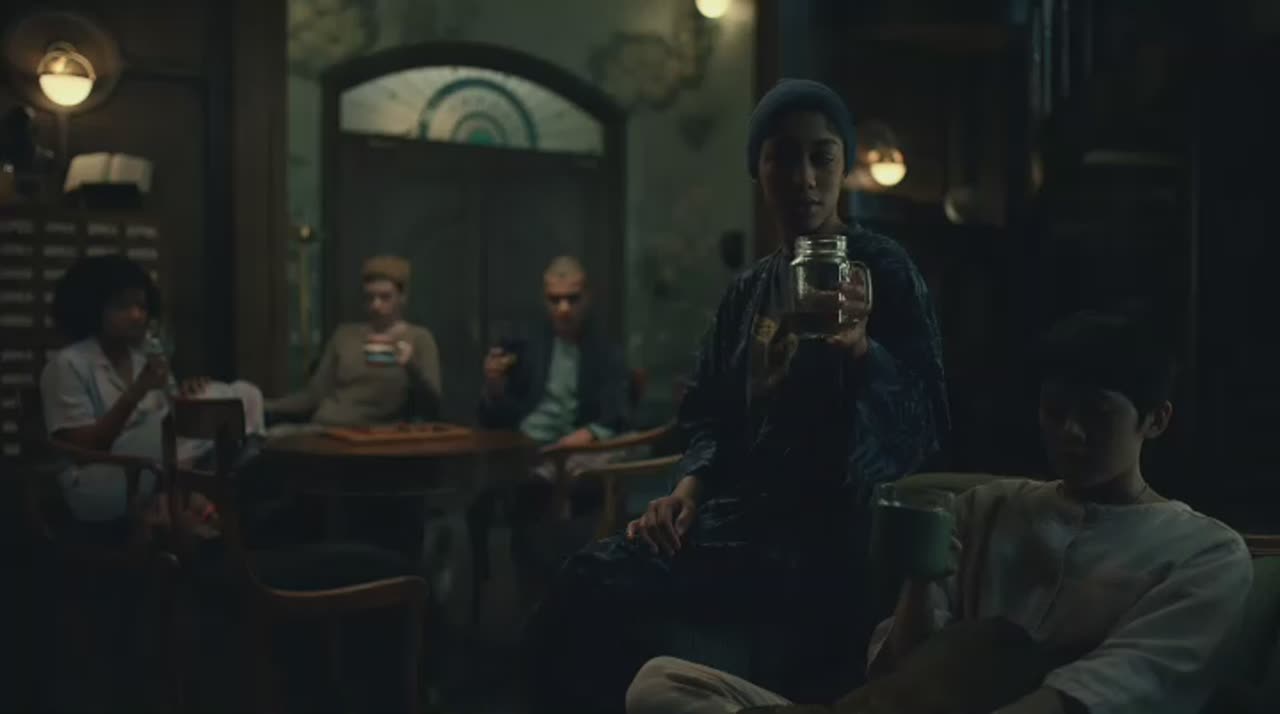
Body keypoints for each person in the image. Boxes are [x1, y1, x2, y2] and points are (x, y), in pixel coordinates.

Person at [524, 78, 949, 714]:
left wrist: (863, 352)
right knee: (580, 588)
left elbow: (925, 421)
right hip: (738, 522)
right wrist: (685, 494)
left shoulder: (880, 270)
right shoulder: (750, 290)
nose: (804, 178)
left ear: (842, 165)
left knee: (595, 593)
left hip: (831, 539)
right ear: (758, 169)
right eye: (783, 156)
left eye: (822, 156)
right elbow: (710, 416)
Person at [625, 308, 1252, 714]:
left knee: (989, 645)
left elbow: (1119, 686)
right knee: (660, 683)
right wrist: (922, 579)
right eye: (1055, 411)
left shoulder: (1204, 553)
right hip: (908, 701)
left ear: (1155, 420)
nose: (1071, 432)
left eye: (1096, 414)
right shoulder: (985, 508)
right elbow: (900, 671)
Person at [39, 254, 263, 531]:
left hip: (160, 465)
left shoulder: (144, 357)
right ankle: (187, 494)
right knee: (178, 422)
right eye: (122, 306)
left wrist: (187, 391)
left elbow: (172, 412)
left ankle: (194, 486)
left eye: (142, 306)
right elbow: (84, 452)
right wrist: (137, 391)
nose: (137, 315)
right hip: (102, 479)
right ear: (93, 308)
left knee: (243, 392)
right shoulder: (67, 365)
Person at [471, 256, 631, 590]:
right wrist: (494, 388)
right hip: (528, 450)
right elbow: (495, 417)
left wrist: (584, 436)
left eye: (572, 299)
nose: (563, 308)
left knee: (569, 500)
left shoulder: (605, 350)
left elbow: (617, 411)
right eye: (554, 299)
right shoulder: (529, 346)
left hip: (580, 454)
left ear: (588, 298)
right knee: (503, 493)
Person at [266, 254, 442, 427]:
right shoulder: (345, 335)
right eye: (370, 297)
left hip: (371, 436)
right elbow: (313, 395)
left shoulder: (418, 339)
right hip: (323, 427)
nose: (376, 305)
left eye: (385, 297)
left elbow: (432, 404)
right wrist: (266, 406)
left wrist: (411, 366)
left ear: (402, 298)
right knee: (270, 438)